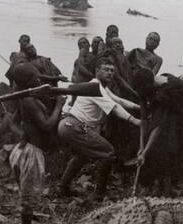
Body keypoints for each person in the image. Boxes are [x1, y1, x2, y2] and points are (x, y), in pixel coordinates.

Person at [57, 59, 141, 200]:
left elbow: (118, 101)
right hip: (74, 126)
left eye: (112, 70)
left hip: (69, 126)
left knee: (82, 156)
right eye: (106, 69)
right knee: (108, 152)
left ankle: (62, 187)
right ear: (97, 71)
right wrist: (135, 120)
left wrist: (138, 107)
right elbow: (115, 108)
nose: (110, 73)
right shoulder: (95, 88)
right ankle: (99, 194)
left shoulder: (102, 88)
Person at [8, 63, 66, 224]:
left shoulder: (25, 97)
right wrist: (59, 104)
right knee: (28, 199)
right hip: (30, 154)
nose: (39, 79)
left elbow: (13, 122)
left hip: (22, 150)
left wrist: (21, 133)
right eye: (35, 78)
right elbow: (48, 125)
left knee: (27, 195)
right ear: (27, 81)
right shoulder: (29, 101)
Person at [134, 68, 183, 197]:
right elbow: (144, 119)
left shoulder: (169, 90)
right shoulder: (143, 87)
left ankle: (173, 185)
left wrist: (145, 153)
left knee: (176, 146)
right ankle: (152, 184)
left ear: (151, 86)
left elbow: (158, 125)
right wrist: (141, 147)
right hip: (167, 112)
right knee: (153, 142)